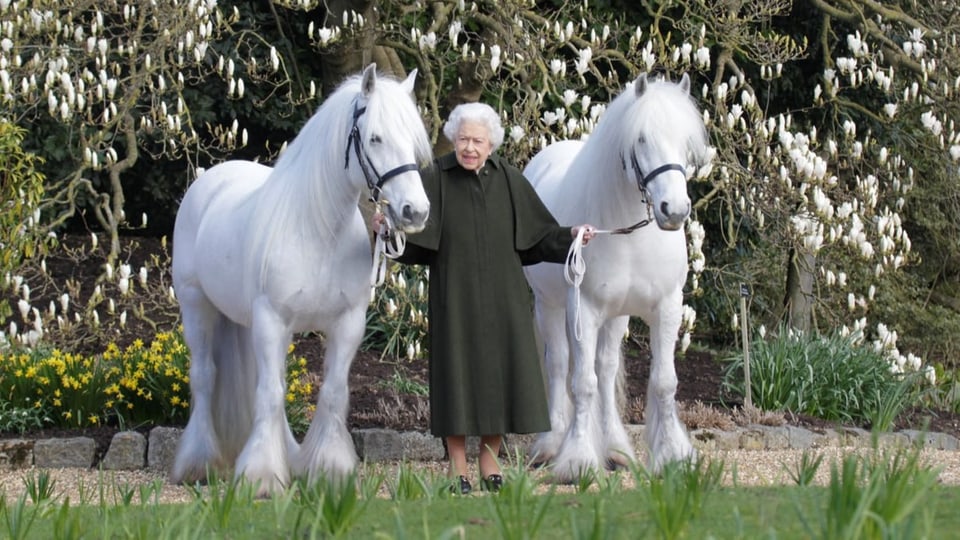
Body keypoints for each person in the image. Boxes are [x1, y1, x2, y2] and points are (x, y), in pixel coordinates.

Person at [373, 102, 595, 494]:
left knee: (500, 379)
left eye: (477, 140)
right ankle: (458, 465)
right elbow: (410, 240)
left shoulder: (509, 179)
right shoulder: (436, 178)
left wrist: (573, 234)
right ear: (453, 141)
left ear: (491, 143)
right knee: (456, 379)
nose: (469, 148)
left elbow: (539, 236)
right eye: (462, 140)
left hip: (504, 299)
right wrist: (385, 230)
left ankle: (489, 459)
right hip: (453, 297)